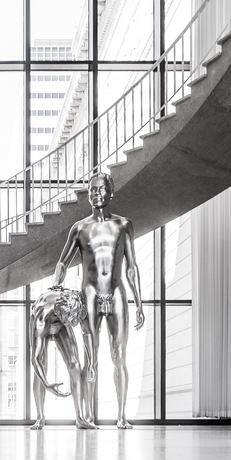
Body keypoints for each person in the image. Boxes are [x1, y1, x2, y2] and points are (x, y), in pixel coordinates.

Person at [52, 172, 145, 428]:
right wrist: (54, 287)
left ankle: (122, 415)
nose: (95, 194)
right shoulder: (80, 228)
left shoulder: (123, 225)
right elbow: (62, 262)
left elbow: (131, 267)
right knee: (90, 357)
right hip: (89, 294)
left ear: (110, 192)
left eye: (100, 189)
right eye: (92, 190)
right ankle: (87, 416)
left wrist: (138, 302)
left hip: (116, 294)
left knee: (119, 356)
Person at [29, 286, 96, 430]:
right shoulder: (43, 315)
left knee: (75, 365)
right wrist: (47, 384)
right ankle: (40, 417)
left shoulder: (77, 305)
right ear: (61, 311)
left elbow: (87, 333)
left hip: (61, 323)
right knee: (41, 365)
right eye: (70, 319)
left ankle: (80, 418)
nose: (73, 323)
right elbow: (35, 359)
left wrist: (91, 363)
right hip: (44, 321)